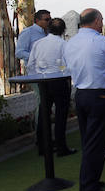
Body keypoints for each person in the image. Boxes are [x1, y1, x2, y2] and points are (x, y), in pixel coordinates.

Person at [62, 8, 105, 191]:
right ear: (97, 21)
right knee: (97, 142)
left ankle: (91, 179)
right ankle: (89, 186)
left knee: (88, 140)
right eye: (102, 20)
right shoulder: (102, 41)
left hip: (82, 95)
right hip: (101, 95)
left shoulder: (70, 43)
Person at [26, 17, 75, 156]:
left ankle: (43, 147)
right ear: (63, 30)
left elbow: (30, 64)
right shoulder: (64, 45)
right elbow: (68, 65)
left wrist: (36, 78)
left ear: (48, 28)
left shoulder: (38, 43)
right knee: (61, 115)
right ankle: (61, 147)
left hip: (43, 81)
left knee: (43, 114)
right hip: (59, 81)